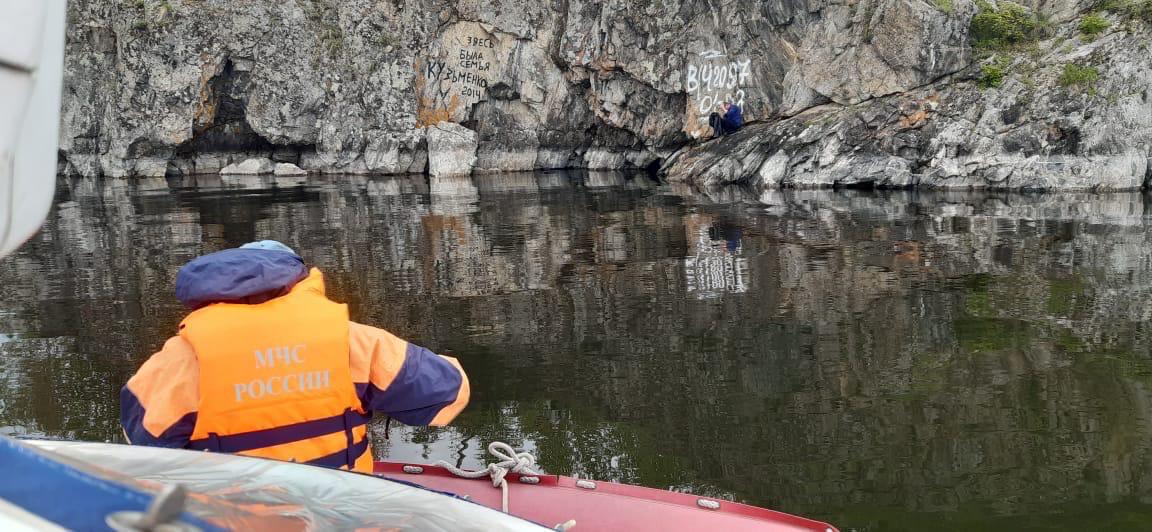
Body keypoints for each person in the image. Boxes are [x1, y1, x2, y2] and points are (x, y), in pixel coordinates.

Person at [119, 240, 469, 473]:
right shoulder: (352, 341)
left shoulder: (179, 361)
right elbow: (448, 391)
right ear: (297, 282)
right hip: (341, 517)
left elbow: (145, 453)